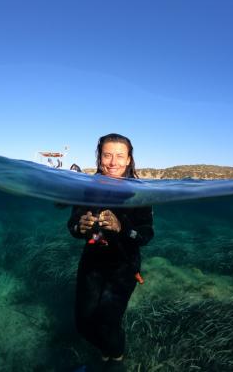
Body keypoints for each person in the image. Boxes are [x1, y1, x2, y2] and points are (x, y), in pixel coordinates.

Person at [67, 133, 154, 367]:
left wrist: (122, 228)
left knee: (107, 321)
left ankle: (115, 359)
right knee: (83, 323)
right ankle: (107, 351)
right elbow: (73, 224)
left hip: (124, 266)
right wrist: (80, 226)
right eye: (107, 155)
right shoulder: (86, 188)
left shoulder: (140, 192)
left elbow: (146, 234)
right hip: (92, 263)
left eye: (119, 156)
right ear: (99, 157)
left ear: (128, 160)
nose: (113, 162)